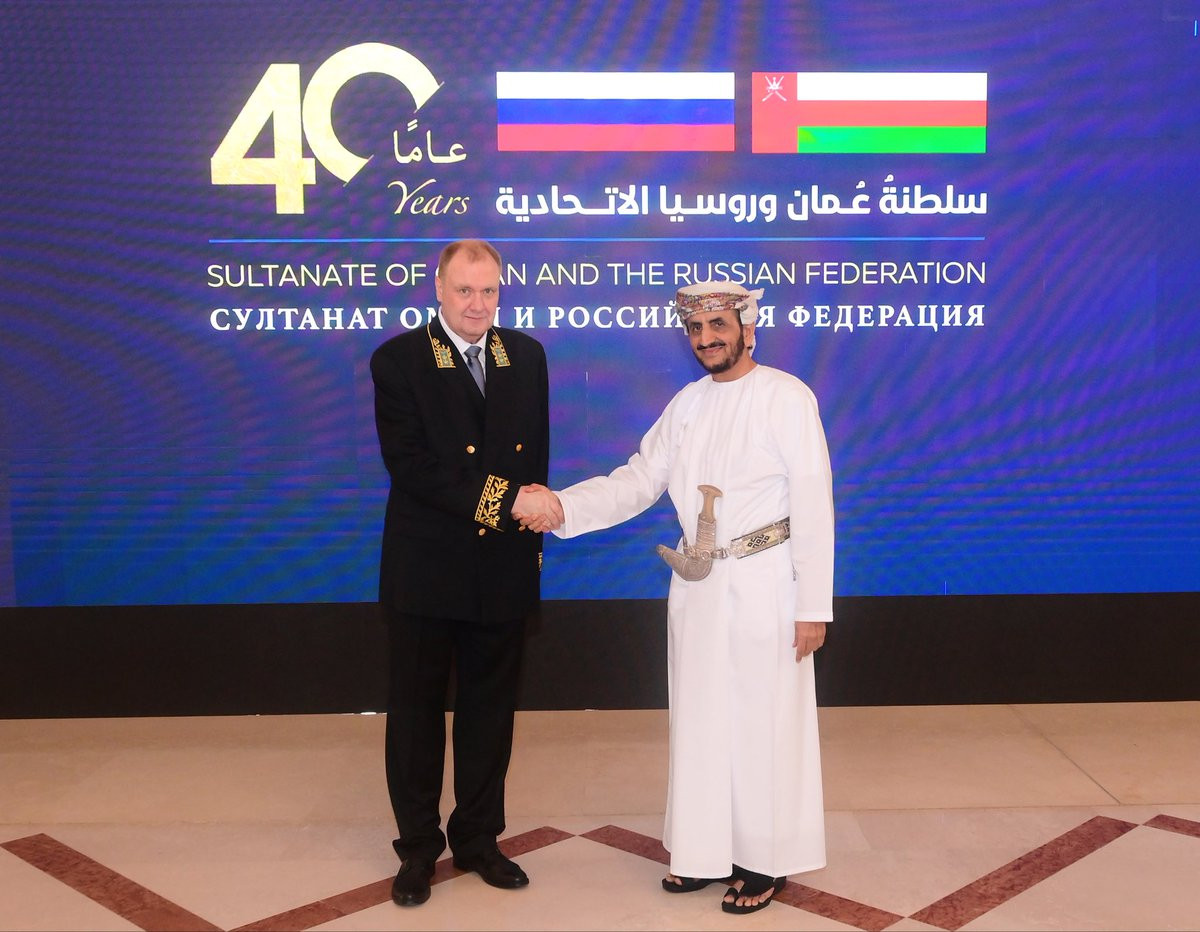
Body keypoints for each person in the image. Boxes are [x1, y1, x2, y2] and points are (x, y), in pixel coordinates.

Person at [526, 280, 835, 915]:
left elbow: (813, 501)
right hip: (696, 587)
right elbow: (638, 480)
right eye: (696, 329)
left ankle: (763, 860)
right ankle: (702, 853)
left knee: (761, 723)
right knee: (699, 722)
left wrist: (812, 606)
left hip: (766, 583)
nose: (706, 339)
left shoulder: (787, 397)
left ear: (747, 328)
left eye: (718, 325)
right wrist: (563, 507)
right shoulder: (688, 403)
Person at [370, 238, 559, 907]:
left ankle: (478, 838)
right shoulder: (399, 359)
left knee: (490, 714)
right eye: (464, 290)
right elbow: (413, 467)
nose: (478, 305)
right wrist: (508, 503)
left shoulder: (525, 355)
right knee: (416, 717)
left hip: (502, 567)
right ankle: (418, 848)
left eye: (489, 291)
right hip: (427, 570)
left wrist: (530, 516)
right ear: (439, 289)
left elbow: (533, 456)